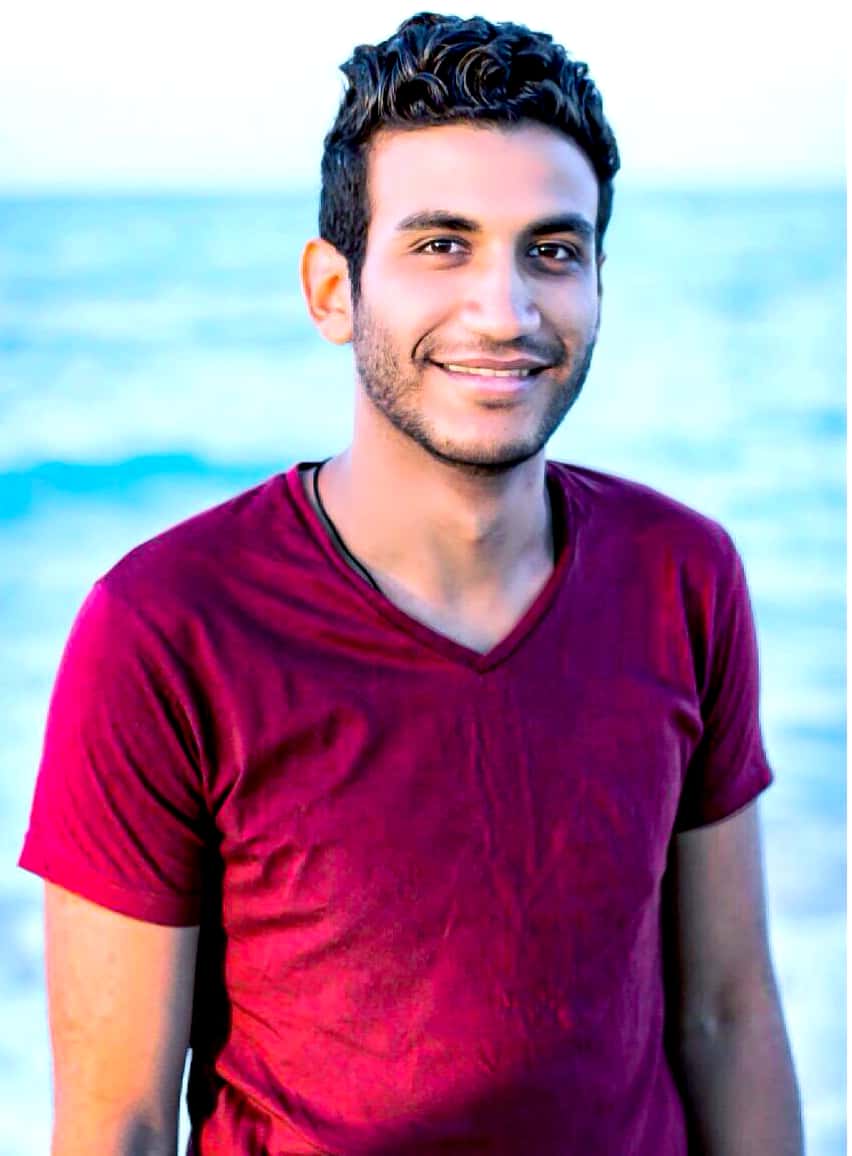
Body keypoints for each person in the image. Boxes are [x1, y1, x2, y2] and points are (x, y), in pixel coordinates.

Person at [20, 11, 803, 1156]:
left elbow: (728, 1014)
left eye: (553, 250)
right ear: (332, 290)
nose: (506, 312)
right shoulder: (164, 630)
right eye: (442, 245)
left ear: (598, 279)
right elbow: (117, 1120)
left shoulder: (683, 576)